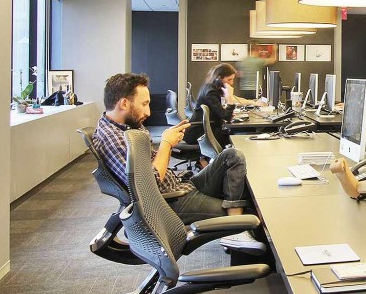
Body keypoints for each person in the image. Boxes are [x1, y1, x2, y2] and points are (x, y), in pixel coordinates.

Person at [91, 73, 263, 249]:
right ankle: (236, 229)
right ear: (124, 103)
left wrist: (169, 141)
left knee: (232, 156)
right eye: (144, 104)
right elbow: (149, 185)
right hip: (170, 201)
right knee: (250, 212)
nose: (148, 112)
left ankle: (235, 225)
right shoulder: (114, 139)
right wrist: (166, 143)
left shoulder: (125, 126)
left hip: (181, 184)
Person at [184, 63, 255, 150]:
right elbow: (227, 117)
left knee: (238, 135)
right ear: (219, 78)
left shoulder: (213, 87)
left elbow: (233, 101)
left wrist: (253, 102)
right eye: (229, 80)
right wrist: (229, 98)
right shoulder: (210, 93)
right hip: (200, 133)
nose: (231, 83)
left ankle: (207, 160)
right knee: (238, 139)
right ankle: (207, 160)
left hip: (207, 129)